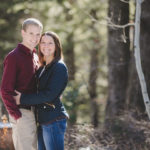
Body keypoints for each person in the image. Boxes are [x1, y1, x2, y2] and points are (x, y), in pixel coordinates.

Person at [14, 31, 69, 150]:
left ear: (56, 46)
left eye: (50, 43)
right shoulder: (42, 68)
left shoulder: (59, 67)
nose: (46, 45)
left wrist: (22, 98)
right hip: (42, 120)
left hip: (53, 120)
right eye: (43, 42)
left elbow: (49, 95)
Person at [0, 18, 43, 150]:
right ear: (23, 33)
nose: (34, 38)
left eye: (38, 34)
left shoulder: (35, 56)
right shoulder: (14, 57)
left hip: (36, 113)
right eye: (31, 33)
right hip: (22, 113)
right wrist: (16, 115)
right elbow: (5, 90)